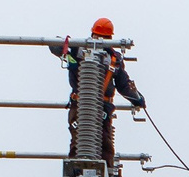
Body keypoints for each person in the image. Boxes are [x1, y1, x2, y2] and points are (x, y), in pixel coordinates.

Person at [50, 18, 144, 161]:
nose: (99, 40)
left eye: (103, 37)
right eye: (97, 36)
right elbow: (53, 45)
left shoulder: (114, 58)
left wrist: (137, 98)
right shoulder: (79, 48)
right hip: (80, 103)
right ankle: (76, 176)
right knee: (79, 141)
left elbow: (123, 85)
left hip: (102, 107)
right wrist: (66, 49)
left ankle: (104, 173)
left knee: (104, 145)